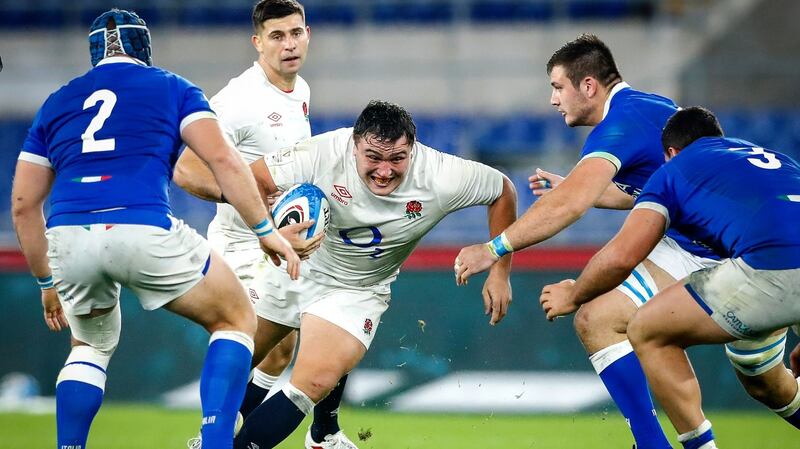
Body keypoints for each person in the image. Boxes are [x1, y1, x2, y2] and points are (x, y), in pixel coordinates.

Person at [10, 9, 299, 449]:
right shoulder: (173, 87)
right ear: (144, 47)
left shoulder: (57, 102)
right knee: (236, 318)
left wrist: (46, 282)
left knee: (89, 347)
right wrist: (264, 229)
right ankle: (216, 442)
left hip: (69, 237)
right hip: (141, 224)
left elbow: (23, 206)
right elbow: (223, 160)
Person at [181, 100, 517, 448]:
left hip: (357, 289)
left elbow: (502, 190)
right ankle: (215, 439)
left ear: (412, 150)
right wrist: (270, 232)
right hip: (297, 265)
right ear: (353, 146)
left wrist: (500, 270)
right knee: (237, 350)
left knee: (314, 381)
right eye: (373, 157)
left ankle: (301, 436)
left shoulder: (441, 175)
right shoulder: (323, 152)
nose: (384, 170)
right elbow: (253, 180)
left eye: (397, 159)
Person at [454, 34, 724, 449]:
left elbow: (568, 207)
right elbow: (647, 190)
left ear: (588, 86)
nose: (552, 99)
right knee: (769, 383)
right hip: (709, 241)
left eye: (557, 87)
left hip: (708, 252)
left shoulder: (619, 124)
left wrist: (493, 248)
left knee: (597, 319)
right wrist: (585, 187)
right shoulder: (652, 106)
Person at [539, 106, 800, 449]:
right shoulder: (775, 160)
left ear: (672, 152)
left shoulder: (675, 169)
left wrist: (573, 295)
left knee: (647, 329)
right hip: (770, 263)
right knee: (764, 383)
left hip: (767, 268)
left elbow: (622, 255)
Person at [173, 1, 355, 447]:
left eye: (295, 33)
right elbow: (185, 170)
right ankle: (218, 435)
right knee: (262, 338)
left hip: (280, 239)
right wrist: (247, 201)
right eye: (277, 36)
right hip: (242, 244)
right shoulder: (238, 101)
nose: (288, 44)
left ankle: (240, 434)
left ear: (308, 34)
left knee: (284, 350)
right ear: (258, 43)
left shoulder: (299, 89)